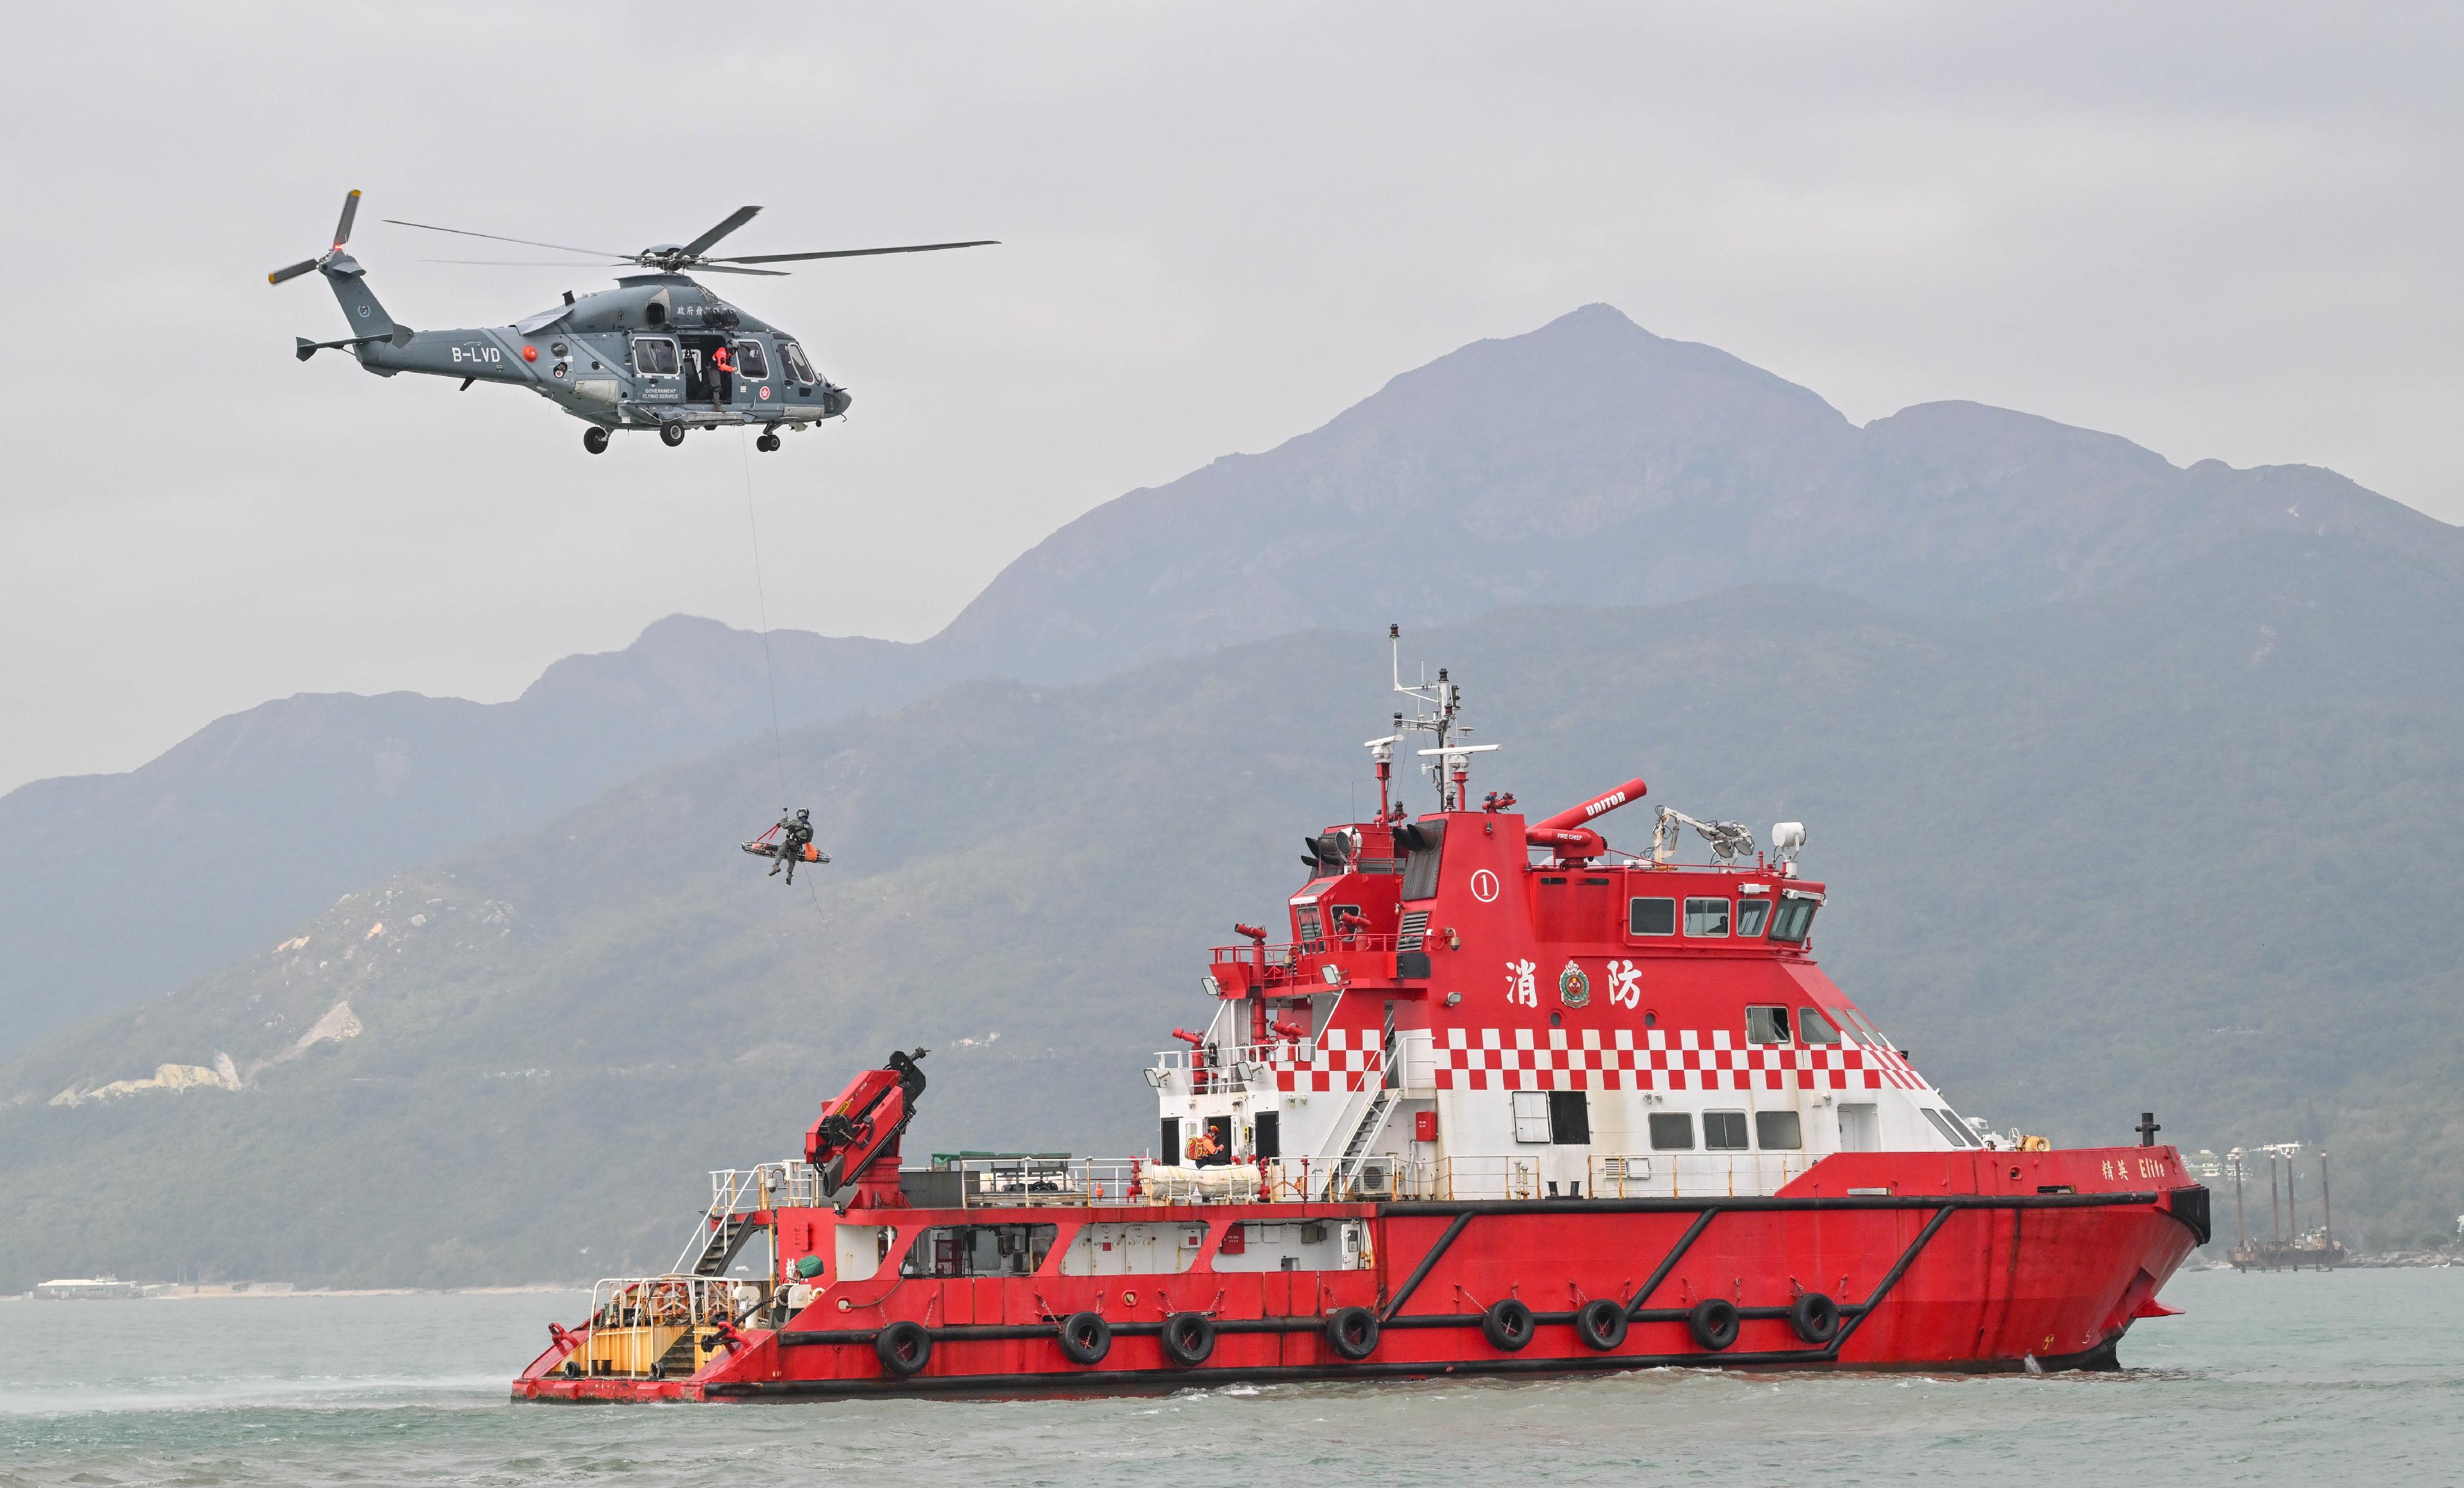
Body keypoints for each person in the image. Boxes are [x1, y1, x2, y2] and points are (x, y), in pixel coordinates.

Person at [771, 807, 814, 883]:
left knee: (780, 852)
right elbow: (808, 840)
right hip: (797, 846)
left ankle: (776, 866)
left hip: (789, 842)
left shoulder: (796, 822)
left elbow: (784, 825)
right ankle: (790, 875)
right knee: (792, 860)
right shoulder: (810, 827)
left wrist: (783, 820)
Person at [708, 342, 736, 408]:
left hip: (716, 369)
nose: (735, 351)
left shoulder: (727, 354)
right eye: (734, 349)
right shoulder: (722, 353)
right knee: (717, 387)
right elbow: (722, 366)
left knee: (718, 385)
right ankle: (717, 405)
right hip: (713, 369)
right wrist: (732, 369)